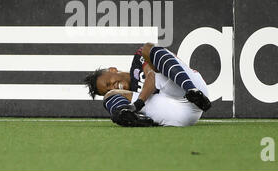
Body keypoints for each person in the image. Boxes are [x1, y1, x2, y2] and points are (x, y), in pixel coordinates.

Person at [84, 42, 212, 127]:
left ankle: (193, 91)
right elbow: (113, 95)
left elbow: (151, 76)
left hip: (186, 87)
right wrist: (128, 109)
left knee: (147, 48)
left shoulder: (138, 60)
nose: (112, 87)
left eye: (108, 83)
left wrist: (138, 103)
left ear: (112, 70)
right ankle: (131, 118)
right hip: (181, 114)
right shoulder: (128, 94)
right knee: (110, 97)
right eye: (107, 89)